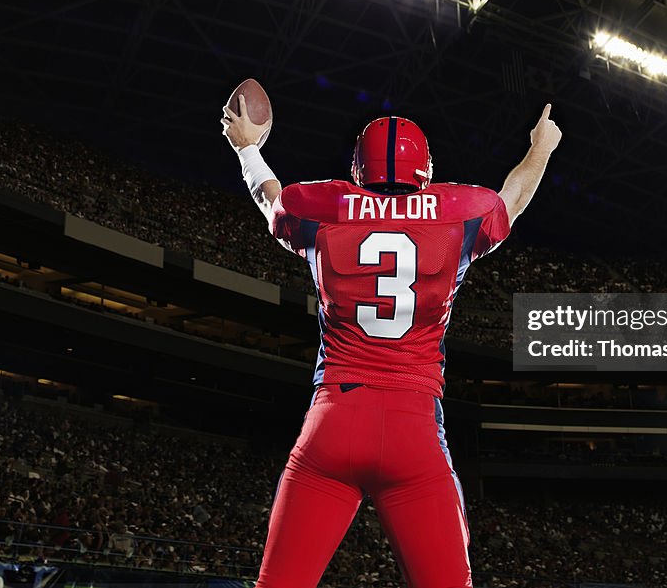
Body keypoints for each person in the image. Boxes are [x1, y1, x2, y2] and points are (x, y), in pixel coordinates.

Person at [221, 98, 561, 588]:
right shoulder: (459, 215)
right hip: (413, 429)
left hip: (333, 423)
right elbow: (515, 194)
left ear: (359, 167)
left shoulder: (321, 209)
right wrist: (542, 147)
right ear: (425, 167)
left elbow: (272, 198)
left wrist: (248, 150)